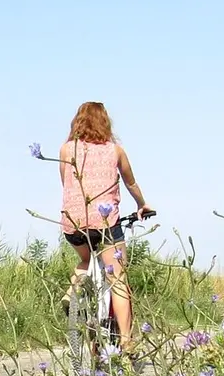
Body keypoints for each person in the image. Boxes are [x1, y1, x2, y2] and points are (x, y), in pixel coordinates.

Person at [57, 101, 153, 350]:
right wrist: (142, 205)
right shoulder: (115, 151)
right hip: (106, 223)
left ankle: (73, 292)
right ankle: (126, 340)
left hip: (74, 224)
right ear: (105, 123)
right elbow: (131, 183)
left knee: (86, 262)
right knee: (118, 278)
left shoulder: (67, 150)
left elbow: (66, 183)